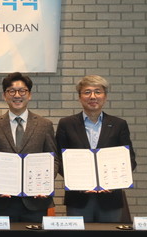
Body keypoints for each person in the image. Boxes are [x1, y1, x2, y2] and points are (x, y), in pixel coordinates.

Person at [56, 75, 137, 223]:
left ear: (105, 96)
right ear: (79, 97)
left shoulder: (119, 124)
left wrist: (114, 182)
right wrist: (78, 182)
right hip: (78, 197)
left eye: (98, 92)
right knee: (78, 236)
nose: (92, 96)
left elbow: (130, 159)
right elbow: (59, 159)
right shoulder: (66, 124)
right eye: (87, 92)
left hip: (110, 198)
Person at [0, 72, 58, 223]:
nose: (17, 95)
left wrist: (44, 185)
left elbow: (53, 160)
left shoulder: (44, 125)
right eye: (12, 91)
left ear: (29, 95)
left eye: (22, 91)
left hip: (36, 200)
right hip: (2, 201)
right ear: (5, 96)